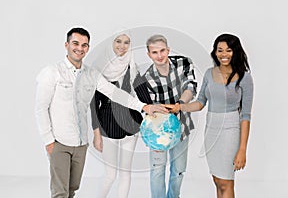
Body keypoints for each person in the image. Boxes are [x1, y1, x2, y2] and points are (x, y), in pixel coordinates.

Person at [35, 27, 167, 198]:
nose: (79, 48)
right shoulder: (52, 72)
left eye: (84, 45)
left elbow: (115, 93)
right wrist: (49, 141)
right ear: (66, 45)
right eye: (75, 43)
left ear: (88, 48)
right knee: (60, 192)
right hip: (60, 141)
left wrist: (144, 107)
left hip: (81, 143)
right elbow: (40, 108)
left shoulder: (92, 74)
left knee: (72, 189)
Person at [165, 33, 254, 198]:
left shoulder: (244, 78)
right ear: (215, 52)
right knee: (217, 180)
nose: (224, 54)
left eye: (228, 50)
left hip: (230, 130)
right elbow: (200, 103)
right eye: (220, 50)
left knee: (226, 181)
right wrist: (180, 107)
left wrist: (242, 149)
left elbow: (246, 116)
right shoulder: (209, 73)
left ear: (236, 52)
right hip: (211, 130)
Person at [90, 31, 151, 198]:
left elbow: (142, 92)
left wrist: (154, 112)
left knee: (126, 172)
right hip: (107, 124)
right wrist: (96, 133)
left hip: (130, 123)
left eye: (126, 42)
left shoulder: (131, 65)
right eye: (118, 41)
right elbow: (93, 104)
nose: (122, 46)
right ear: (111, 42)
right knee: (110, 175)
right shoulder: (98, 68)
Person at [142, 34, 197, 198]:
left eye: (162, 51)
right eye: (154, 52)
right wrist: (159, 110)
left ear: (168, 50)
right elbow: (149, 108)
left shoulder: (184, 63)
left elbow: (191, 86)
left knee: (178, 170)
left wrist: (180, 104)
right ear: (149, 54)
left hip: (182, 126)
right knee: (157, 170)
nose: (159, 56)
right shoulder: (146, 78)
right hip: (158, 132)